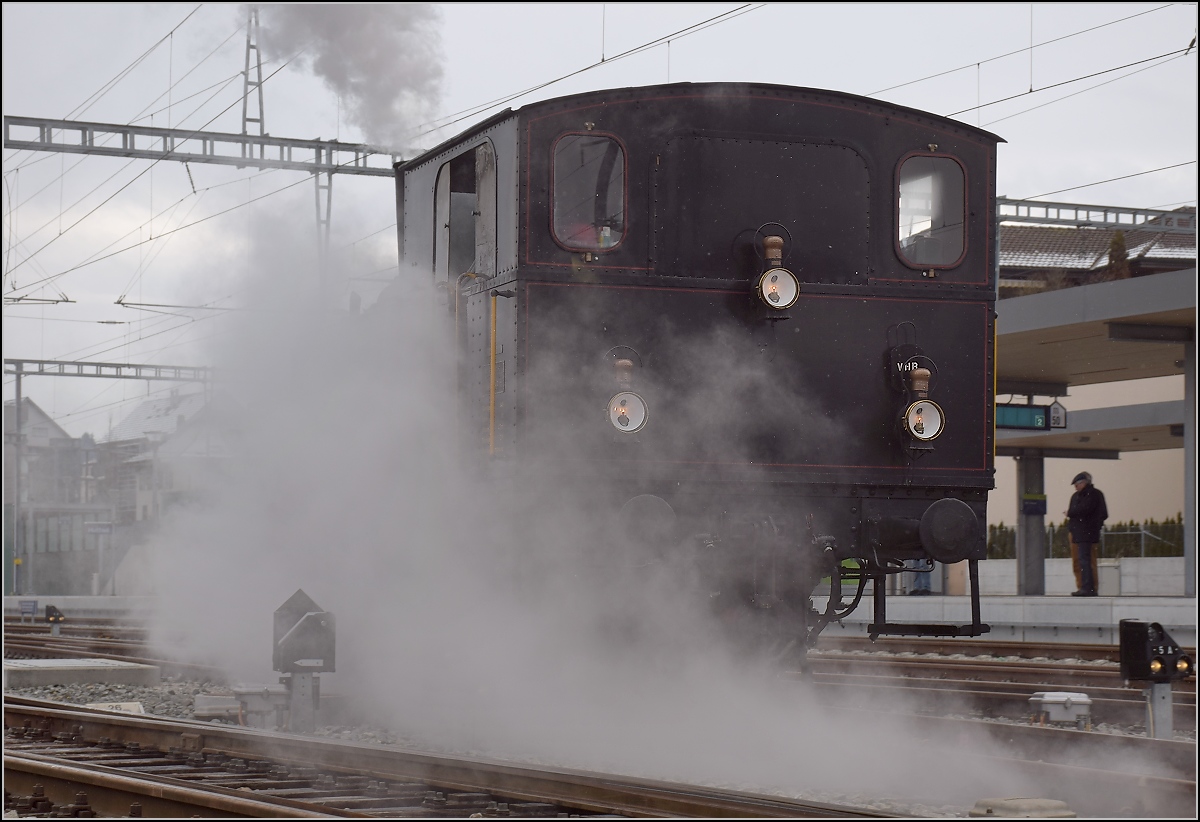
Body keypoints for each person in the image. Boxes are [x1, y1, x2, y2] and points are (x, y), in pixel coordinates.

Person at [1065, 471, 1107, 597]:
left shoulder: (1094, 495)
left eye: (1077, 484)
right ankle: (1082, 586)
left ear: (1084, 483)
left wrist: (1072, 513)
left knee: (1086, 561)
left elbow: (1086, 510)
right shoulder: (1075, 496)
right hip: (1076, 533)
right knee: (1078, 561)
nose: (1076, 487)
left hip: (1087, 533)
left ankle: (1089, 588)